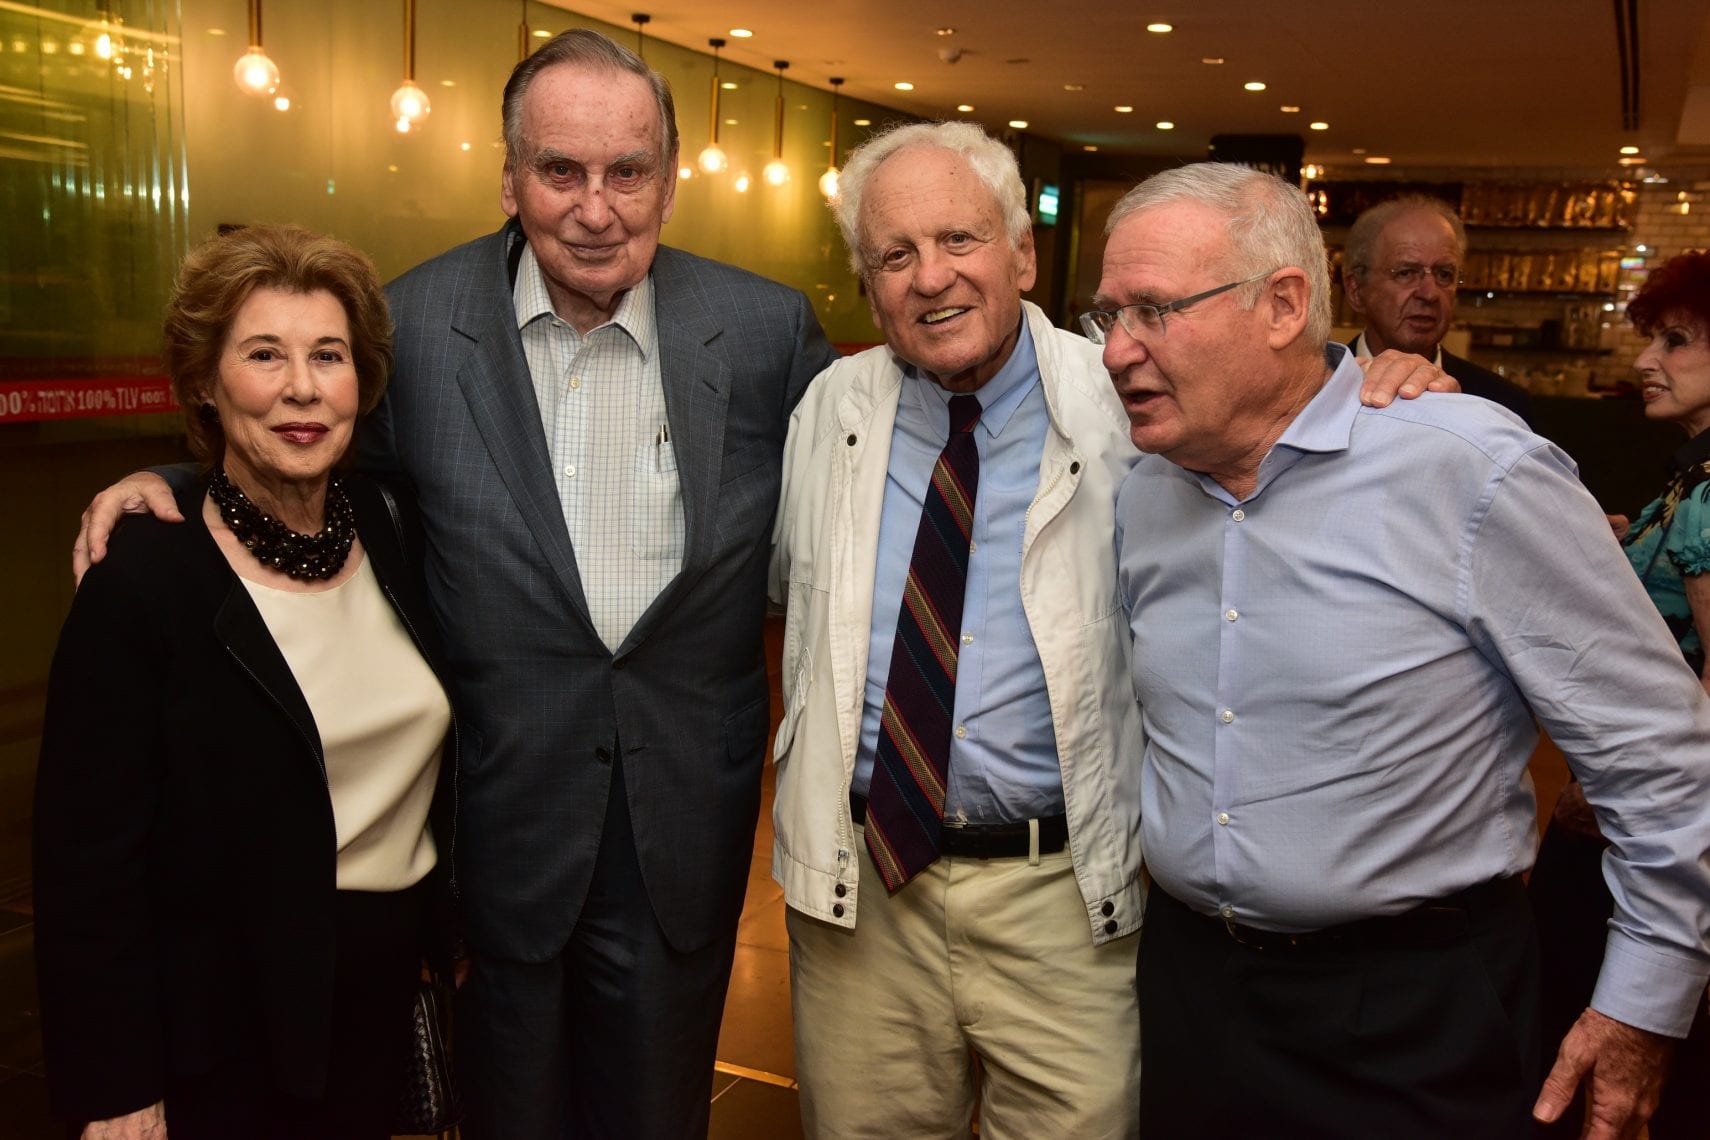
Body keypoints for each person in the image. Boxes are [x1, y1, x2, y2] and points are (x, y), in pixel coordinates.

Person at [70, 29, 836, 1139]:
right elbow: (309, 441)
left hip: (681, 822)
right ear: (509, 174)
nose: (596, 206)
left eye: (628, 172)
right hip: (494, 817)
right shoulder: (417, 325)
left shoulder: (765, 330)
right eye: (560, 171)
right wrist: (171, 475)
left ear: (669, 178)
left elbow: (863, 479)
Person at [768, 122, 1447, 1139]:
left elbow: (1280, 424)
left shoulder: (1135, 399)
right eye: (894, 255)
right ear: (868, 282)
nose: (930, 278)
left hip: (1063, 898)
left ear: (1024, 256)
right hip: (863, 896)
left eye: (960, 239)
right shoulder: (829, 408)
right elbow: (788, 601)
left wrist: (1384, 384)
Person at [1091, 162, 1710, 1140]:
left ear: (1283, 304)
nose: (1117, 350)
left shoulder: (1471, 470)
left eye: (1153, 311)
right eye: (1107, 317)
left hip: (1412, 1011)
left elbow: (1661, 757)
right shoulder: (1144, 492)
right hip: (1191, 991)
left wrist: (1645, 1003)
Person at [35, 224, 456, 1140]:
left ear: (363, 382)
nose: (302, 387)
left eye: (328, 355)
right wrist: (117, 1087)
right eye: (264, 354)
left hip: (384, 1003)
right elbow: (88, 864)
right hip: (224, 1029)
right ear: (204, 382)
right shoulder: (144, 576)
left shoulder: (395, 526)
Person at [1530, 249, 1710, 1138]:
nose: (1647, 361)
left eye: (1675, 342)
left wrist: (1628, 808)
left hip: (1651, 827)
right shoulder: (1688, 474)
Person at [1343, 194, 1536, 426]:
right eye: (1406, 273)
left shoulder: (1502, 405)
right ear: (1356, 290)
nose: (1430, 293)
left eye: (1444, 274)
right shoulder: (1316, 390)